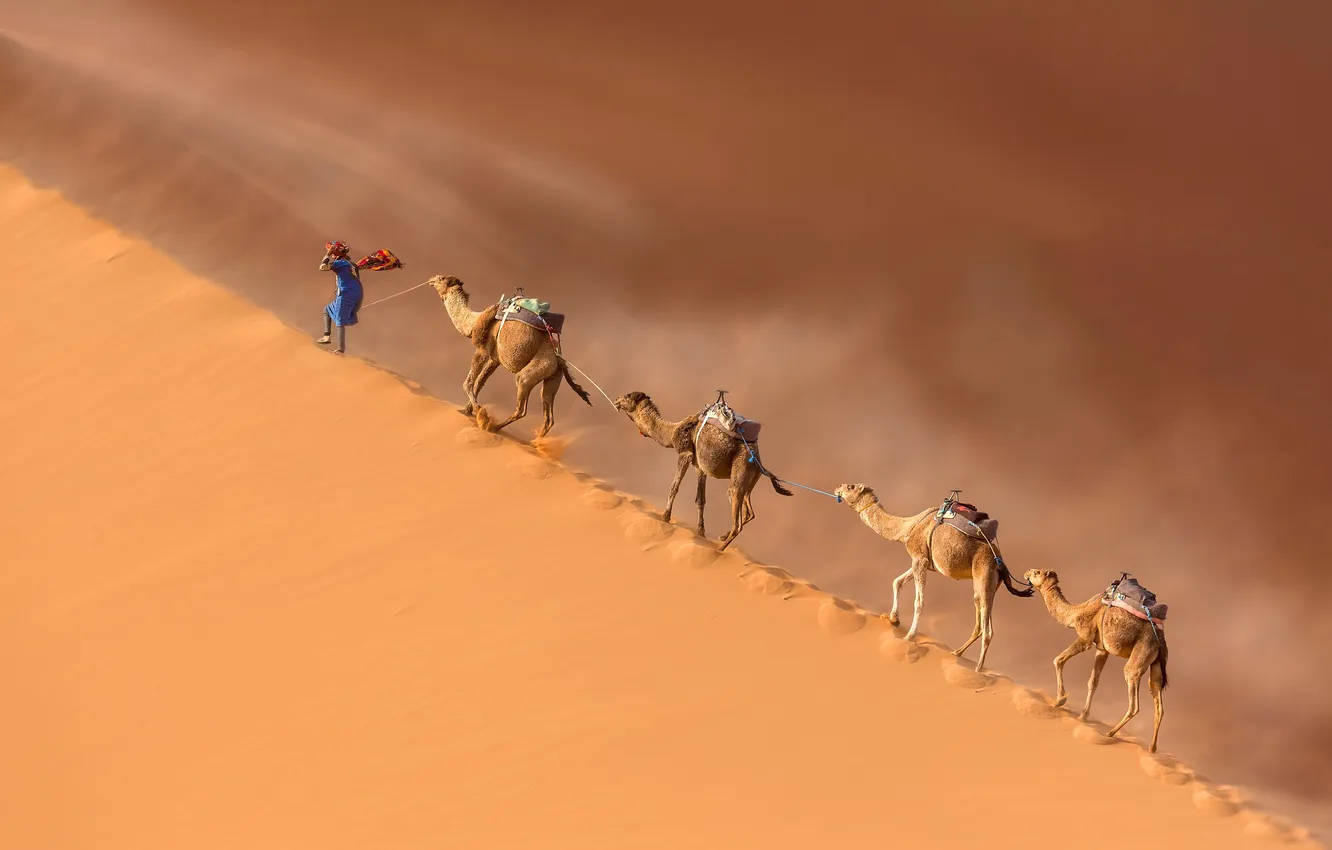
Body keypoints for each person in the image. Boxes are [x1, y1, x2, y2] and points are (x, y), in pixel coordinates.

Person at [316, 240, 363, 354]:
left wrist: (327, 255)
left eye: (332, 251)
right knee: (327, 310)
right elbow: (355, 277)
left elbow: (322, 267)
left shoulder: (340, 263)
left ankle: (340, 350)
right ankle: (326, 336)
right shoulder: (350, 264)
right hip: (355, 293)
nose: (331, 253)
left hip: (346, 294)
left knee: (340, 321)